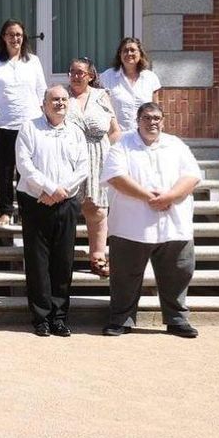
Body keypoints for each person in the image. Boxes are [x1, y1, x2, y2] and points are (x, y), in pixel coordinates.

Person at [101, 102, 202, 338]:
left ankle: (177, 320)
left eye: (157, 118)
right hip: (131, 225)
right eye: (147, 117)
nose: (152, 122)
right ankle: (120, 320)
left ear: (163, 121)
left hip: (174, 223)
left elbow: (192, 175)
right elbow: (116, 177)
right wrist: (149, 197)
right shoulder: (122, 144)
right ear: (138, 120)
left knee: (178, 273)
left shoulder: (175, 144)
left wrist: (170, 196)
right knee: (125, 276)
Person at [15, 85, 88, 337]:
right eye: (54, 100)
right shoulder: (29, 128)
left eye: (63, 99)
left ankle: (59, 317)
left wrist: (61, 191)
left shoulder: (76, 133)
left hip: (65, 202)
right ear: (44, 104)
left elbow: (82, 168)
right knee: (37, 262)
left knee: (63, 262)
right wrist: (47, 189)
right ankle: (41, 318)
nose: (59, 103)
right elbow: (24, 164)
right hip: (35, 202)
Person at [0, 18, 47, 228]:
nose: (15, 38)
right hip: (3, 125)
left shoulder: (34, 62)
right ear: (3, 37)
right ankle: (5, 211)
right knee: (4, 171)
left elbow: (41, 93)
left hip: (29, 125)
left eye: (19, 34)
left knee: (26, 171)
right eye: (10, 34)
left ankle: (26, 211)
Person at [66, 57, 121, 278]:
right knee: (67, 208)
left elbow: (115, 130)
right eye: (72, 72)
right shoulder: (62, 96)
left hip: (99, 156)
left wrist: (114, 155)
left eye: (81, 72)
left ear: (90, 75)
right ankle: (63, 257)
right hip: (69, 158)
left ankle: (97, 256)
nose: (76, 76)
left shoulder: (101, 96)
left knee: (96, 208)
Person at [100, 37, 162, 133]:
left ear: (140, 54)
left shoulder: (151, 78)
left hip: (144, 135)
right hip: (117, 136)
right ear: (120, 54)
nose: (129, 53)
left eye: (133, 50)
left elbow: (156, 110)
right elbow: (102, 109)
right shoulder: (107, 77)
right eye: (125, 50)